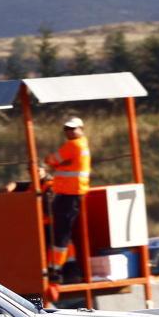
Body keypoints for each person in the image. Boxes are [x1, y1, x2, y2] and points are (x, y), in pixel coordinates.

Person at [43, 116, 91, 283]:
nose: (69, 131)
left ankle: (55, 269)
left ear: (81, 129)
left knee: (61, 234)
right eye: (67, 129)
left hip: (69, 195)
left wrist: (56, 164)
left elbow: (51, 160)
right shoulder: (81, 144)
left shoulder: (73, 145)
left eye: (72, 128)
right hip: (69, 195)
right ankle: (62, 267)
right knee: (63, 233)